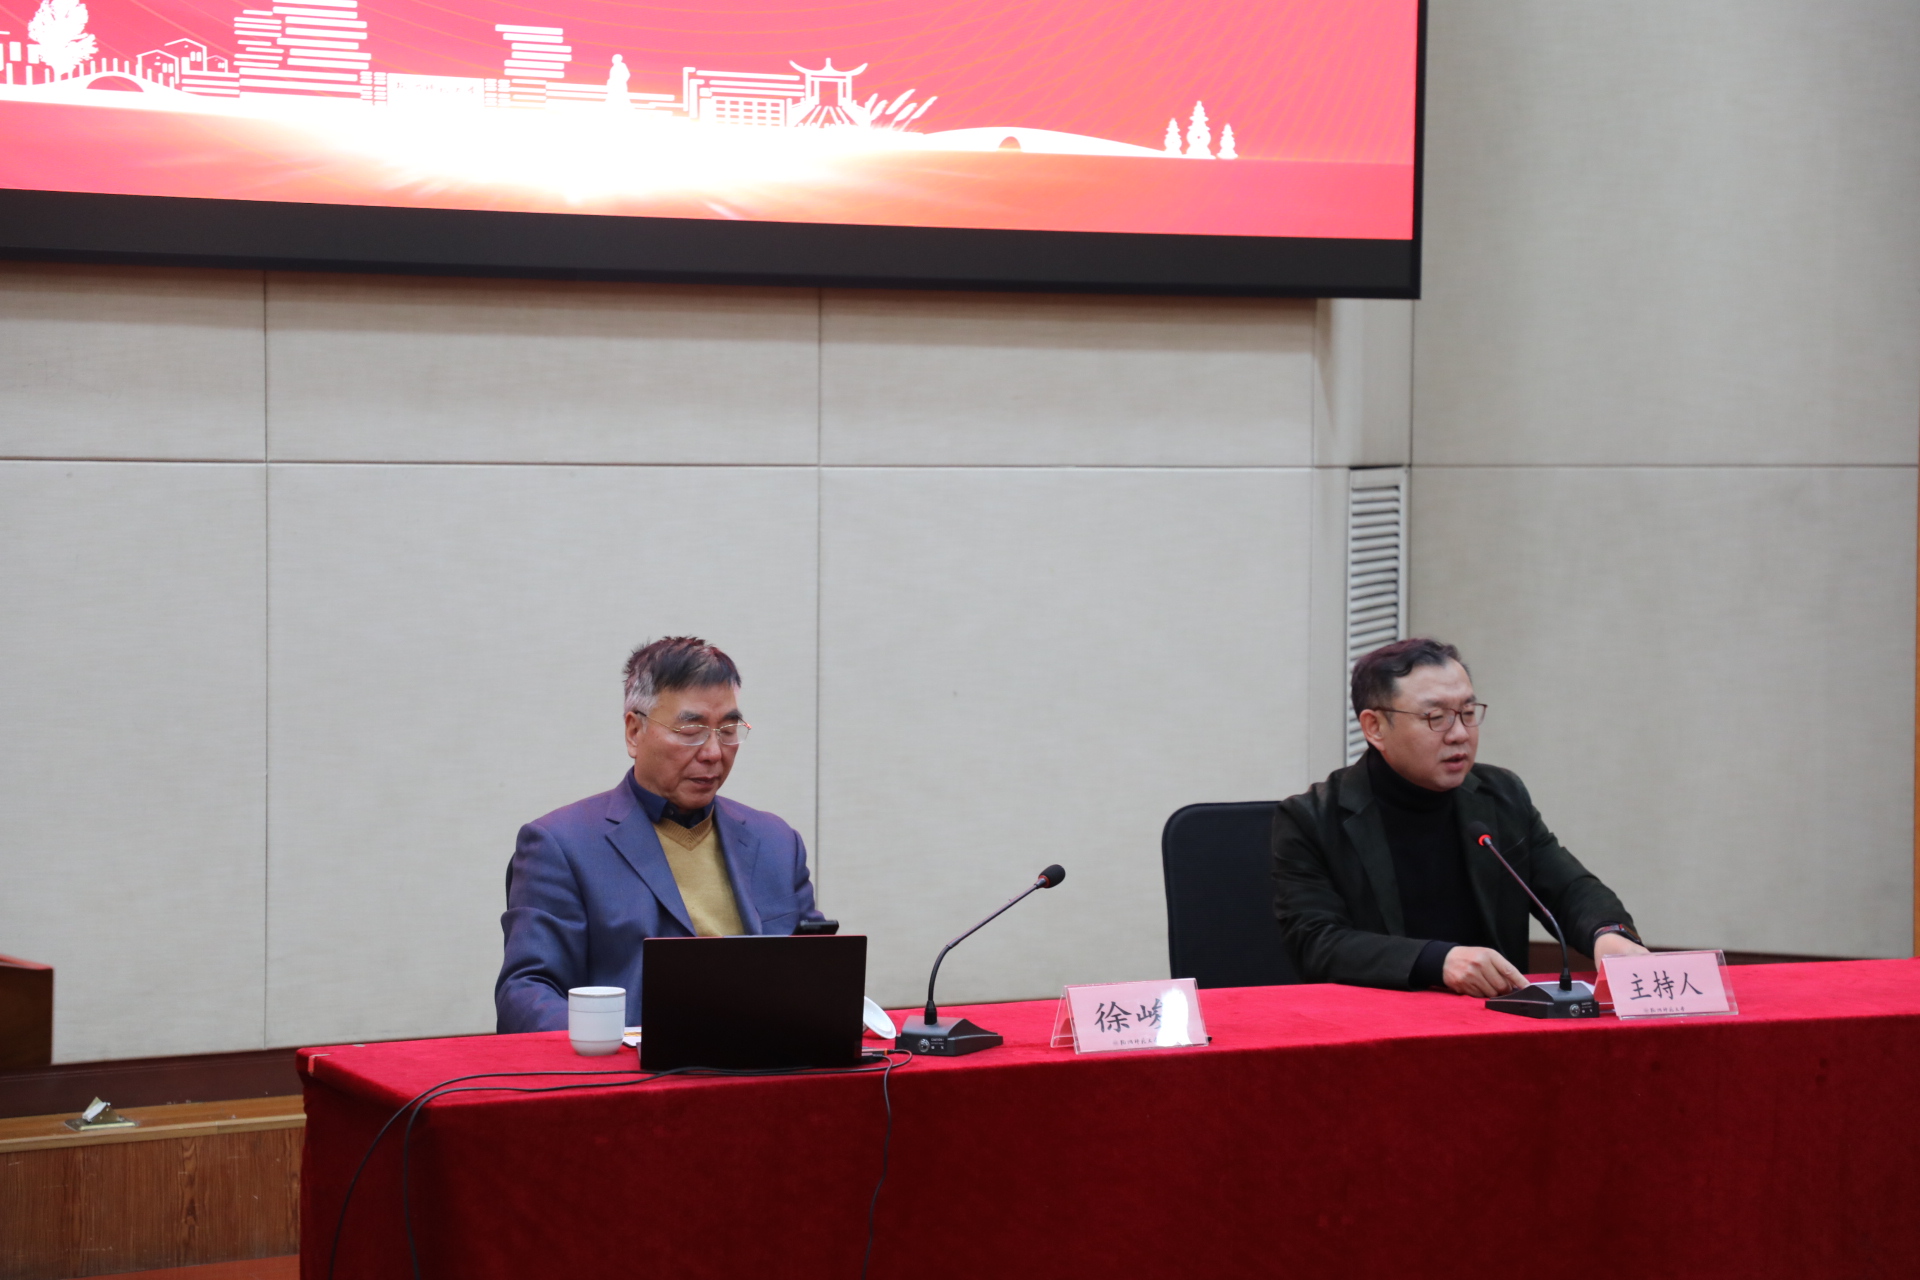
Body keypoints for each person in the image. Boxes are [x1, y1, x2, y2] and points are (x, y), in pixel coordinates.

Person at [1272, 637, 1648, 997]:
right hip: (1377, 1022)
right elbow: (1316, 943)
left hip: (1495, 1017)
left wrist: (1608, 933)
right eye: (1436, 717)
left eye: (1468, 714)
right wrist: (1439, 961)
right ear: (1375, 727)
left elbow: (1568, 889)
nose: (1459, 734)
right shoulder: (1311, 818)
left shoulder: (1500, 795)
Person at [495, 636, 824, 1032]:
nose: (713, 752)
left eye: (728, 729)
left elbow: (819, 972)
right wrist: (607, 1044)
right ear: (635, 731)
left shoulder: (776, 842)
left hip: (767, 1062)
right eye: (691, 730)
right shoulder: (562, 846)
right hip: (632, 1065)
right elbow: (526, 991)